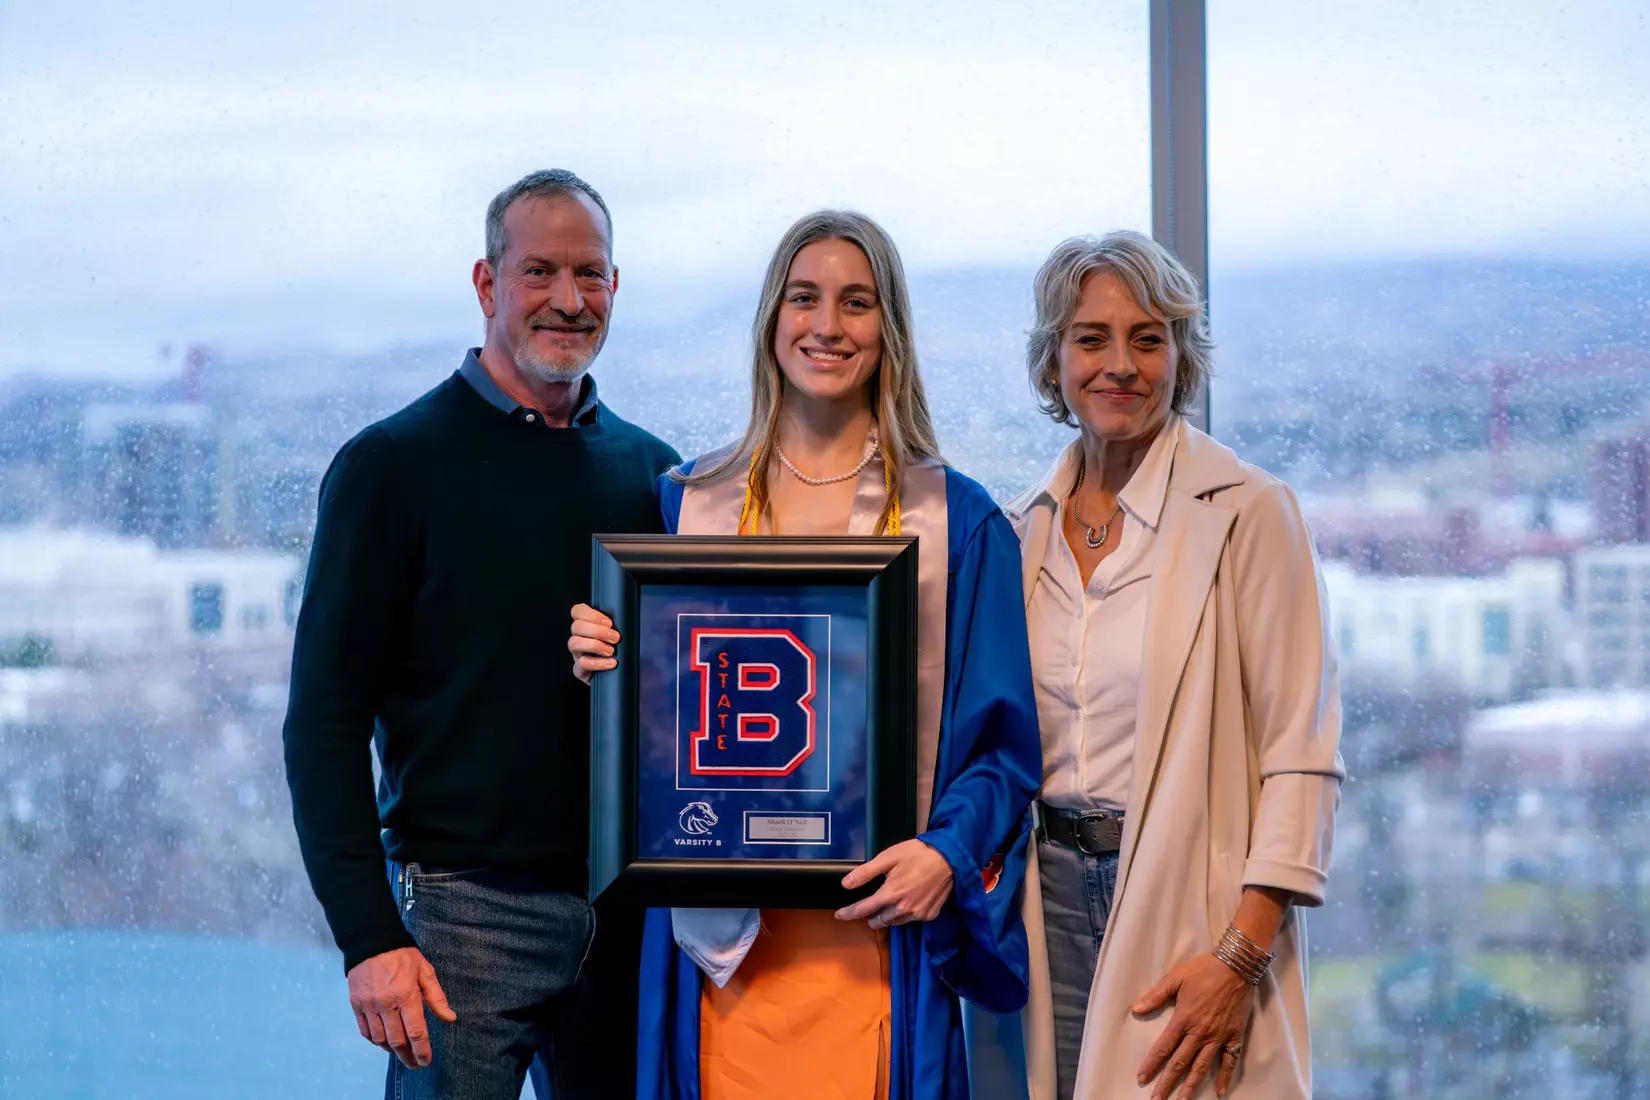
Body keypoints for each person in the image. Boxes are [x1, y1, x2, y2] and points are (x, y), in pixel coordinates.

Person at [568, 210, 1042, 1099]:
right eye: (804, 298)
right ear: (770, 319)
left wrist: (946, 854)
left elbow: (1001, 752)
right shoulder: (684, 505)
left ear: (889, 328)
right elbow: (653, 718)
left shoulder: (958, 522)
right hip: (717, 952)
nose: (827, 325)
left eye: (856, 302)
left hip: (876, 936)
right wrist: (605, 662)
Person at [282, 169, 680, 1100]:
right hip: (463, 920)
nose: (569, 298)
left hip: (631, 913)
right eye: (540, 271)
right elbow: (323, 723)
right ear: (486, 283)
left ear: (616, 286)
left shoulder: (655, 476)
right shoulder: (391, 466)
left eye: (590, 273)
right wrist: (369, 937)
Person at [1003, 231, 1345, 1100]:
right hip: (1044, 899)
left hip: (1194, 906)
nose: (1121, 364)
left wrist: (1239, 957)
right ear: (1053, 362)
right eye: (1092, 339)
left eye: (1148, 339)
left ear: (1182, 358)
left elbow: (1301, 758)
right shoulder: (1019, 529)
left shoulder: (1251, 512)